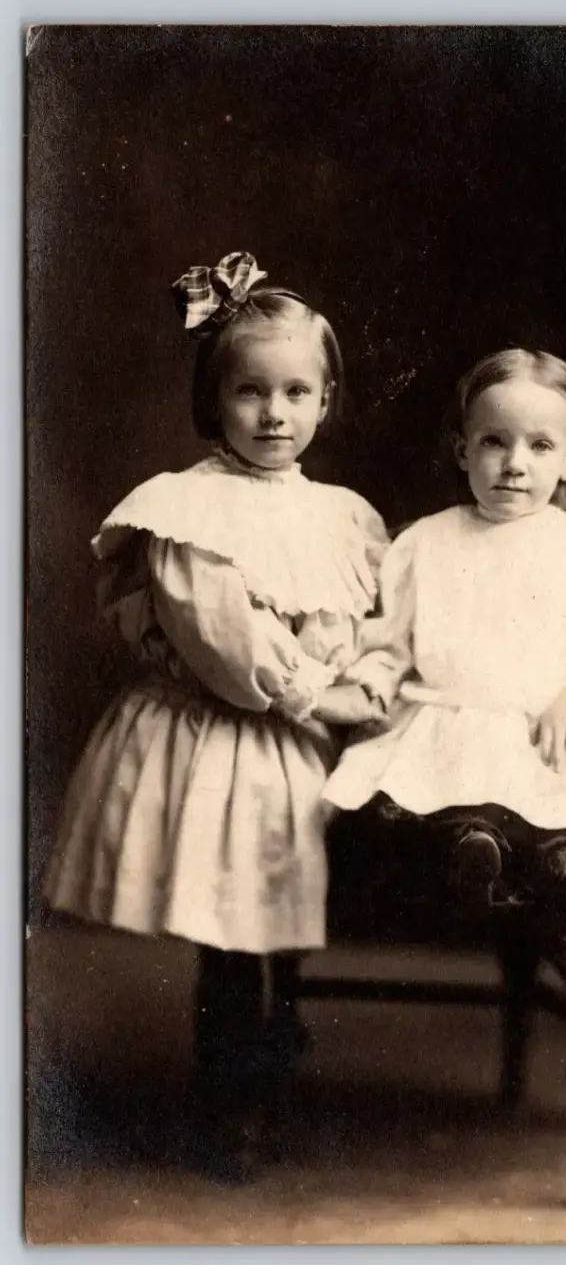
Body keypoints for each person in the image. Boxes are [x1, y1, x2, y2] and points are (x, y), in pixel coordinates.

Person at [44, 252, 388, 1175]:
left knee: (275, 912)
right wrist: (321, 695)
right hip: (222, 738)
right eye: (250, 392)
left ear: (325, 401)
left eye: (297, 393)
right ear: (214, 400)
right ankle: (227, 1099)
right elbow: (228, 645)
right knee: (233, 930)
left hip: (300, 740)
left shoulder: (344, 516)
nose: (275, 414)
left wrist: (363, 682)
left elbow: (365, 622)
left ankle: (270, 1054)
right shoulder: (187, 512)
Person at [324, 348, 566, 912]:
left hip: (547, 722)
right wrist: (371, 682)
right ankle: (474, 849)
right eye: (494, 442)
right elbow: (390, 638)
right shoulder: (425, 543)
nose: (514, 463)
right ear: (463, 450)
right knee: (447, 789)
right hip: (451, 716)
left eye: (539, 446)